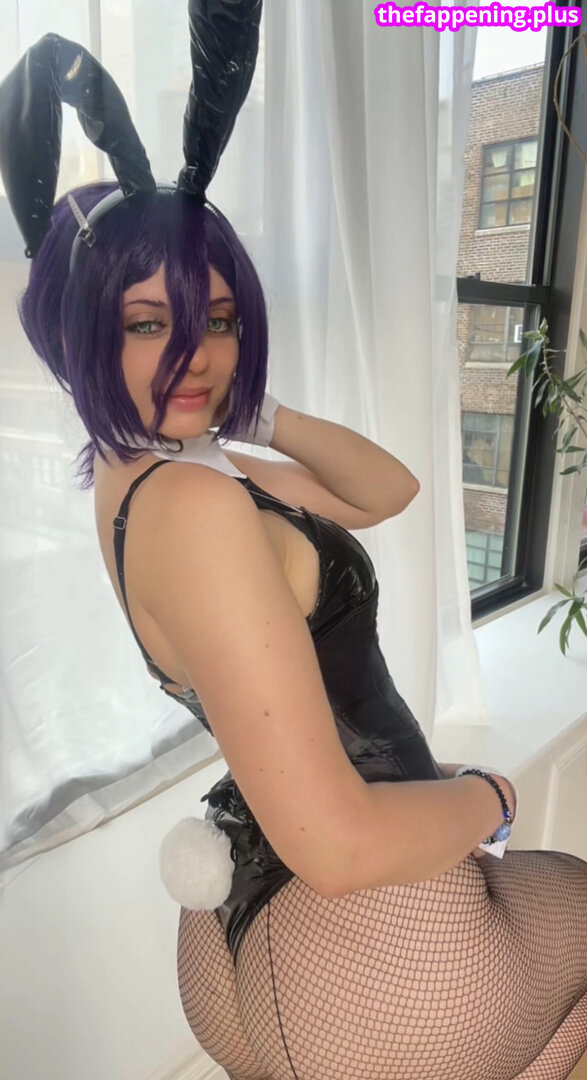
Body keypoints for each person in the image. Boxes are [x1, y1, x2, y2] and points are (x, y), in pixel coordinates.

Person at [3, 9, 587, 1080]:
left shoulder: (152, 477)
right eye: (148, 323)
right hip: (366, 940)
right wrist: (490, 800)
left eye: (218, 319)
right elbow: (337, 844)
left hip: (239, 927)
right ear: (84, 328)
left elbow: (386, 490)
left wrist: (254, 413)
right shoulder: (198, 507)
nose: (194, 353)